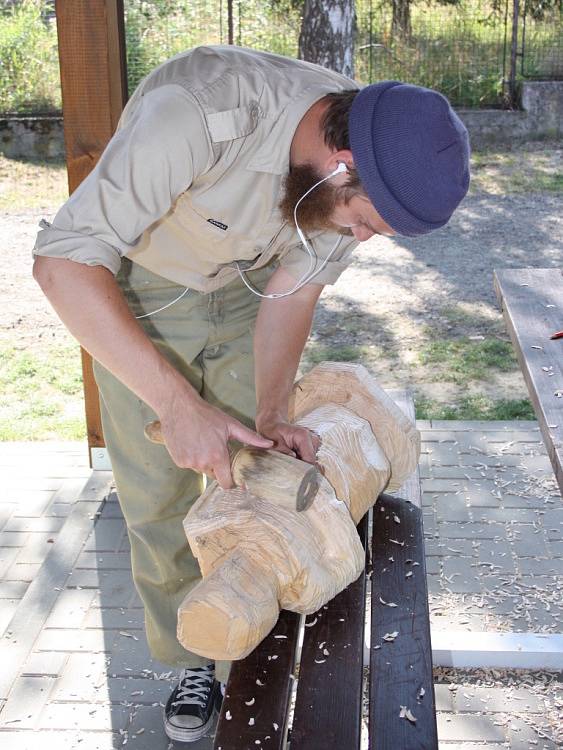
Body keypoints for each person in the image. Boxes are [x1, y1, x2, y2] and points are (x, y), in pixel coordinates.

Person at [32, 45, 470, 743]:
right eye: (361, 222)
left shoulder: (367, 158)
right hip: (134, 291)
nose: (358, 237)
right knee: (157, 490)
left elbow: (292, 289)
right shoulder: (200, 114)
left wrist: (271, 411)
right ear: (340, 161)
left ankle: (243, 622)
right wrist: (177, 405)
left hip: (241, 291)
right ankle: (192, 658)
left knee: (244, 474)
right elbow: (62, 263)